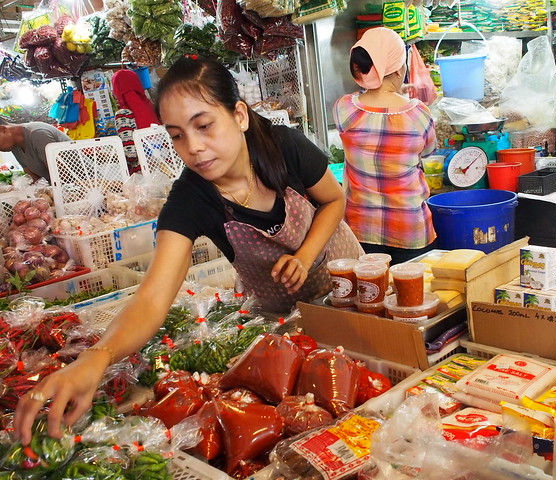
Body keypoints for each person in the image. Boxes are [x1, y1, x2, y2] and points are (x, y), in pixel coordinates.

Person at [13, 55, 363, 444]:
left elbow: (333, 201)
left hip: (347, 283)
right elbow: (151, 297)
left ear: (240, 116)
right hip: (284, 312)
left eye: (204, 125)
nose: (193, 147)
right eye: (177, 134)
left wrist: (303, 254)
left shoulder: (284, 147)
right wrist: (98, 355)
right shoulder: (191, 198)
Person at [333, 27, 438, 265]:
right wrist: (399, 97)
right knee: (411, 300)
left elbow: (374, 101)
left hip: (361, 229)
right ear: (401, 68)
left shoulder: (345, 109)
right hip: (410, 231)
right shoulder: (418, 113)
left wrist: (391, 92)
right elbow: (429, 153)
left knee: (370, 299)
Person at [0, 121, 71, 183]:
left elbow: (62, 175)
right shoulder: (13, 146)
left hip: (76, 183)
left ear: (3, 129)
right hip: (57, 188)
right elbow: (33, 177)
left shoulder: (37, 133)